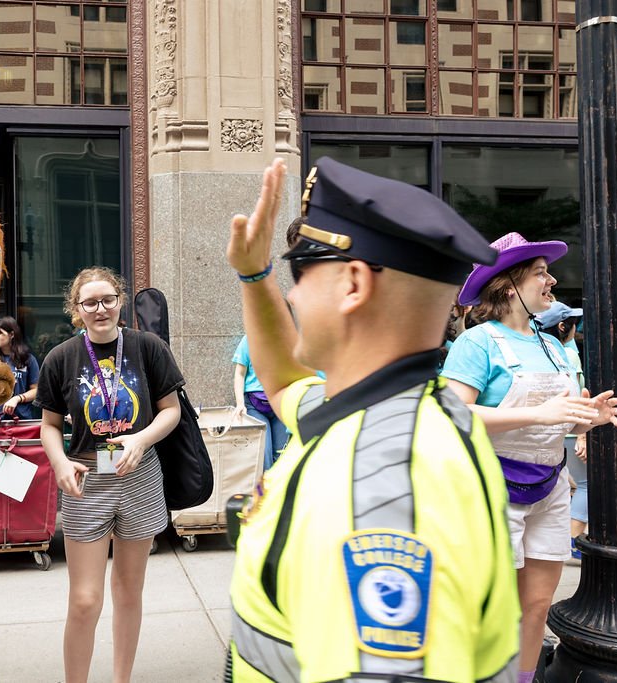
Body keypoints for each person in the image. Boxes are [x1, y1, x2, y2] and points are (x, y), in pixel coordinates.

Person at [225, 157, 521, 682]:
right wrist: (255, 276)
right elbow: (287, 383)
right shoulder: (395, 411)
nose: (292, 294)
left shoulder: (384, 487)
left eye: (302, 270)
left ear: (353, 284)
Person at [443, 233, 617, 683]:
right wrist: (540, 411)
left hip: (551, 485)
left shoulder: (553, 344)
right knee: (492, 606)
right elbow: (450, 412)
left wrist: (589, 420)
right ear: (509, 286)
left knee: (538, 604)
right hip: (493, 487)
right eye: (541, 272)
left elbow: (558, 421)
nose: (552, 280)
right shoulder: (478, 342)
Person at [35, 266, 182, 683]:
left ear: (119, 300)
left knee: (128, 592)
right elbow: (48, 424)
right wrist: (60, 461)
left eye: (108, 300)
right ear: (75, 309)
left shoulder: (147, 347)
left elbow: (170, 411)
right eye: (89, 302)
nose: (100, 309)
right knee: (84, 600)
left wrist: (140, 440)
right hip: (87, 480)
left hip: (139, 475)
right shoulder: (60, 358)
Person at [534, 301, 587, 563]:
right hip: (567, 432)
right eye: (572, 322)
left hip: (552, 435)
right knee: (587, 484)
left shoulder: (544, 351)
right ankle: (573, 539)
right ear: (563, 326)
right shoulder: (568, 354)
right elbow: (575, 394)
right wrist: (583, 434)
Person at [233, 334, 289, 469]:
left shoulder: (286, 337)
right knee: (264, 455)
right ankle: (263, 490)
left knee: (282, 456)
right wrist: (240, 403)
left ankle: (278, 489)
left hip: (280, 404)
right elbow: (239, 373)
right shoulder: (249, 340)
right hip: (255, 404)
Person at [0, 316, 40, 421]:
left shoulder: (27, 359)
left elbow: (36, 390)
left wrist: (17, 399)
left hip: (20, 420)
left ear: (12, 334)